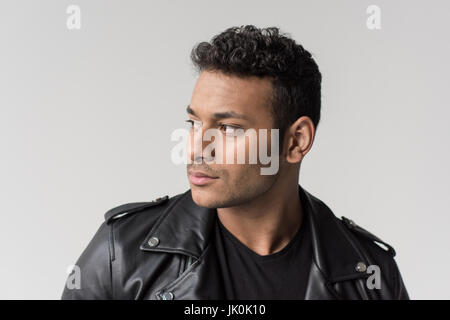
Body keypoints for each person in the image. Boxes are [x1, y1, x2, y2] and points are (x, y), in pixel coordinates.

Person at [61, 25, 409, 300]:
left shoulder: (369, 277)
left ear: (295, 141)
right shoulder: (120, 254)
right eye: (194, 123)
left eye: (228, 128)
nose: (197, 146)